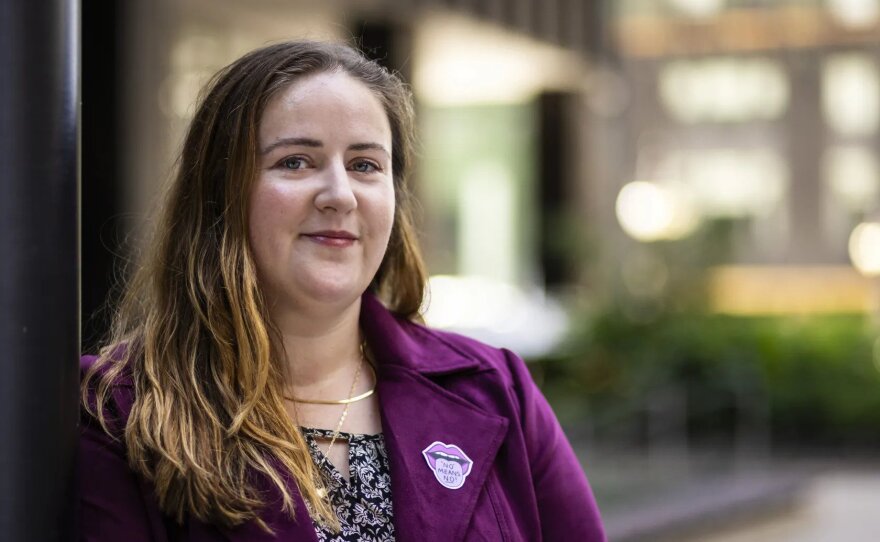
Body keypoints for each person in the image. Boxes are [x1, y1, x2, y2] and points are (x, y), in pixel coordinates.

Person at [79, 40, 606, 542]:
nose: (340, 194)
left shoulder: (496, 389)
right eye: (296, 161)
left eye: (365, 165)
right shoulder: (118, 412)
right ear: (219, 194)